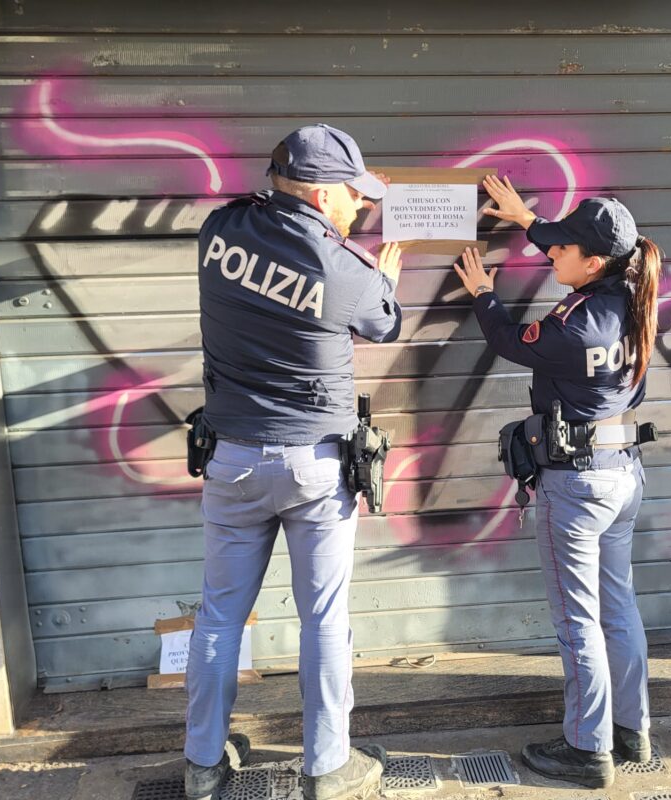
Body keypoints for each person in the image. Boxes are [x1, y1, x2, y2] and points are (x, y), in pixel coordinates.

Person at [184, 123, 403, 800]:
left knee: (219, 615)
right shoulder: (346, 270)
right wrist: (379, 272)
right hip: (313, 466)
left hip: (232, 461)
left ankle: (201, 763)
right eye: (351, 196)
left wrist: (343, 226)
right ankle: (325, 765)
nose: (360, 207)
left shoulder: (217, 230)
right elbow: (384, 322)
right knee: (323, 618)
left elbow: (267, 228)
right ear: (317, 192)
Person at [453, 176, 662, 790]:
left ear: (592, 261)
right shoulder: (634, 296)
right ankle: (631, 731)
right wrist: (527, 218)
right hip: (622, 476)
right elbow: (573, 247)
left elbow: (510, 340)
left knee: (577, 622)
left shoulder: (576, 324)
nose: (550, 254)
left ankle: (586, 751)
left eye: (561, 248)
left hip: (577, 486)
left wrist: (483, 295)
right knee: (618, 609)